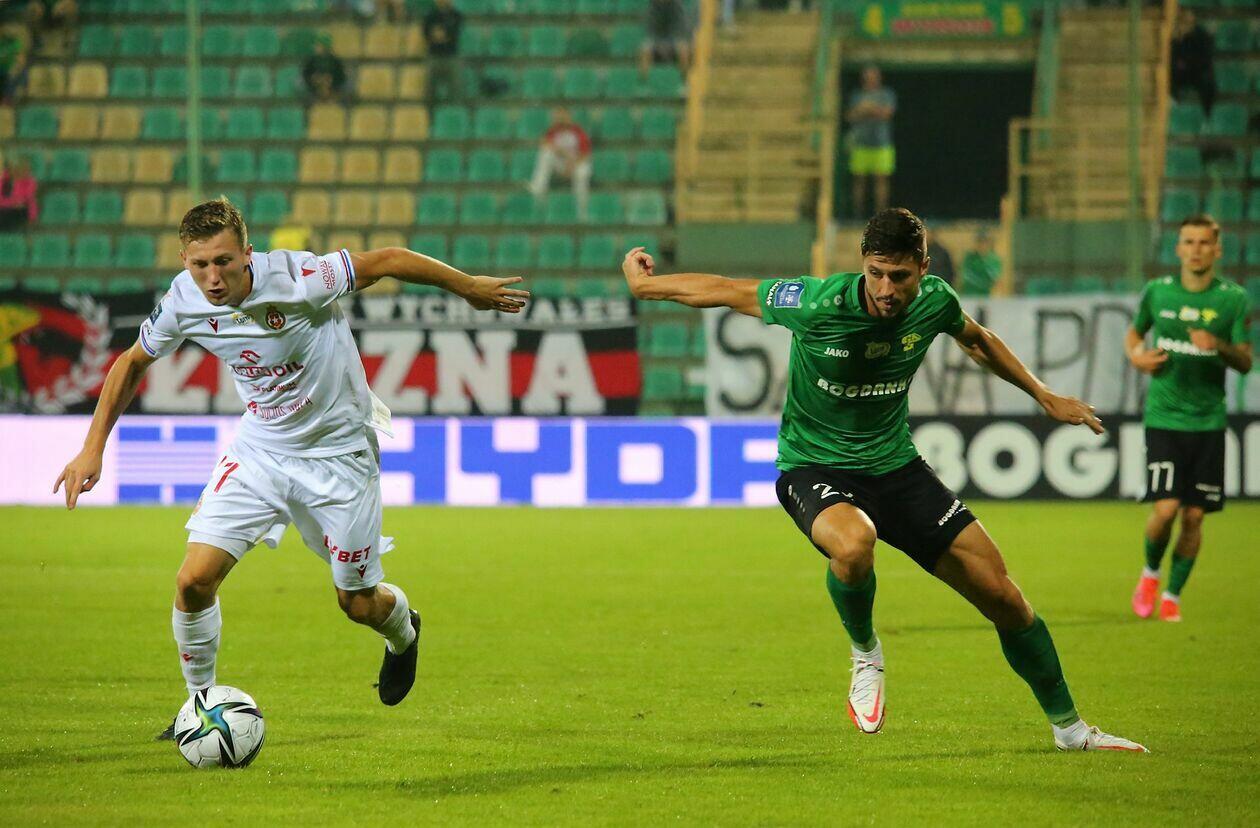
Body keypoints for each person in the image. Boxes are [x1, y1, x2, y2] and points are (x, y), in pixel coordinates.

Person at [619, 207, 1147, 752]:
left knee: (1004, 596)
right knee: (854, 544)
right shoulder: (817, 302)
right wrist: (647, 287)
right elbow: (729, 290)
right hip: (814, 466)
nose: (886, 289)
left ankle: (1071, 731)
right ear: (862, 265)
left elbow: (977, 339)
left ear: (923, 268)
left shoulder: (936, 301)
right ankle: (866, 653)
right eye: (876, 273)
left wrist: (1043, 394)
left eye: (899, 276)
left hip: (896, 468)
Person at [53, 198, 529, 738]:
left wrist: (467, 287)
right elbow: (131, 361)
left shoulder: (300, 278)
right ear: (184, 261)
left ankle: (404, 634)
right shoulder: (183, 300)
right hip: (260, 452)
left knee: (357, 603)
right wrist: (92, 448)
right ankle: (201, 706)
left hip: (339, 456)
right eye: (200, 264)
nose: (213, 278)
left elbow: (390, 259)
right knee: (193, 582)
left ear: (247, 254)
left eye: (224, 262)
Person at [1125, 215, 1252, 623]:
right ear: (1178, 248)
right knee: (1165, 509)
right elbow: (1135, 333)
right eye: (1189, 242)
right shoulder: (1158, 292)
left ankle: (1172, 595)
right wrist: (1137, 358)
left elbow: (1246, 361)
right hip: (1164, 418)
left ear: (1217, 250)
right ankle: (1150, 574)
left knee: (1194, 516)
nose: (1196, 250)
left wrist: (1218, 345)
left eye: (1204, 243)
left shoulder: (1233, 299)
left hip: (1208, 422)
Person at [845, 66, 896, 217]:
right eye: (868, 76)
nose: (871, 79)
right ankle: (857, 214)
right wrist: (864, 110)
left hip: (881, 143)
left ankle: (881, 214)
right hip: (860, 143)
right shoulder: (857, 95)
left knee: (881, 179)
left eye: (873, 76)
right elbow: (850, 116)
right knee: (859, 180)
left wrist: (867, 109)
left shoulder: (886, 94)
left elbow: (887, 113)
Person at [529, 107, 593, 221]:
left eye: (563, 115)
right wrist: (563, 153)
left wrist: (572, 164)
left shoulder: (578, 131)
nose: (560, 118)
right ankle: (538, 188)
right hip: (559, 165)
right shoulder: (553, 131)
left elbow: (585, 155)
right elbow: (545, 144)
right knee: (545, 154)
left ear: (568, 116)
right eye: (557, 116)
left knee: (583, 171)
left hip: (575, 164)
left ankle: (582, 208)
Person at [1170, 9, 1214, 116]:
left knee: (1208, 82)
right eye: (1182, 21)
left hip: (1198, 71)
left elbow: (1205, 59)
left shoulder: (1202, 36)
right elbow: (1173, 56)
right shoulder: (1176, 36)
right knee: (1168, 74)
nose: (1184, 24)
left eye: (1187, 22)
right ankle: (1173, 101)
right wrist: (1177, 39)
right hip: (1181, 72)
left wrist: (1187, 63)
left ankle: (1207, 115)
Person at [423, 0, 462, 104]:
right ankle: (430, 111)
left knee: (455, 90)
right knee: (430, 90)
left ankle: (453, 111)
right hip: (433, 56)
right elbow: (427, 34)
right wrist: (438, 35)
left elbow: (454, 33)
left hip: (451, 56)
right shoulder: (430, 16)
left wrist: (441, 34)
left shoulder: (456, 15)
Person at [640, 0, 690, 79]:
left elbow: (679, 30)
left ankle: (684, 78)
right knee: (645, 48)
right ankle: (644, 79)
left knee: (683, 48)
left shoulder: (677, 7)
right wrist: (659, 43)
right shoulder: (652, 8)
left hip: (674, 40)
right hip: (657, 40)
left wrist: (669, 43)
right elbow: (651, 30)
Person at [302, 34, 347, 103]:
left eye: (318, 45)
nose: (316, 48)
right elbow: (306, 75)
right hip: (313, 94)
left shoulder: (335, 62)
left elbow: (341, 77)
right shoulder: (311, 61)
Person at [0, 155, 38, 229]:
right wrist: (11, 203)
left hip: (19, 212)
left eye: (25, 169)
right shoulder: (3, 181)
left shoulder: (30, 182)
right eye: (15, 169)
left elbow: (30, 200)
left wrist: (32, 217)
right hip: (4, 210)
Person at [961, 229, 1001, 296]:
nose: (982, 245)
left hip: (985, 295)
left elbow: (995, 277)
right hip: (969, 294)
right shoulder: (969, 258)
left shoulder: (993, 260)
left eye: (984, 242)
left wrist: (984, 261)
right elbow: (965, 276)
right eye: (979, 241)